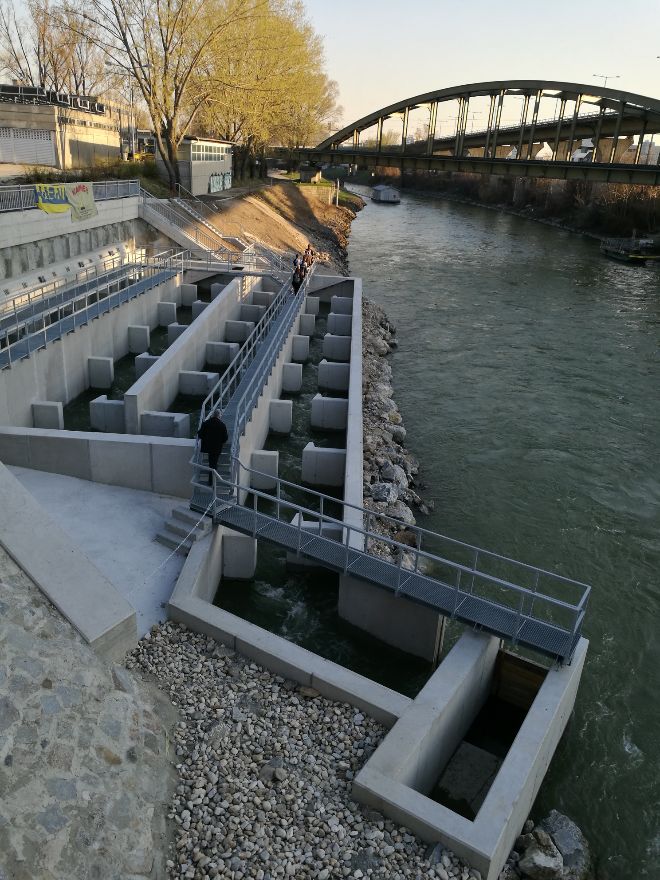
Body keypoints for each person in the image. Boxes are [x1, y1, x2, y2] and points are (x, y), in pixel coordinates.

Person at [197, 411, 228, 486]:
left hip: (208, 447)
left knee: (211, 463)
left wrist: (206, 439)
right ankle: (212, 481)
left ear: (212, 415)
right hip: (217, 448)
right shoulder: (222, 425)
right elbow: (225, 438)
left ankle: (211, 480)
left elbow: (200, 434)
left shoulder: (206, 423)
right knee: (213, 464)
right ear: (219, 416)